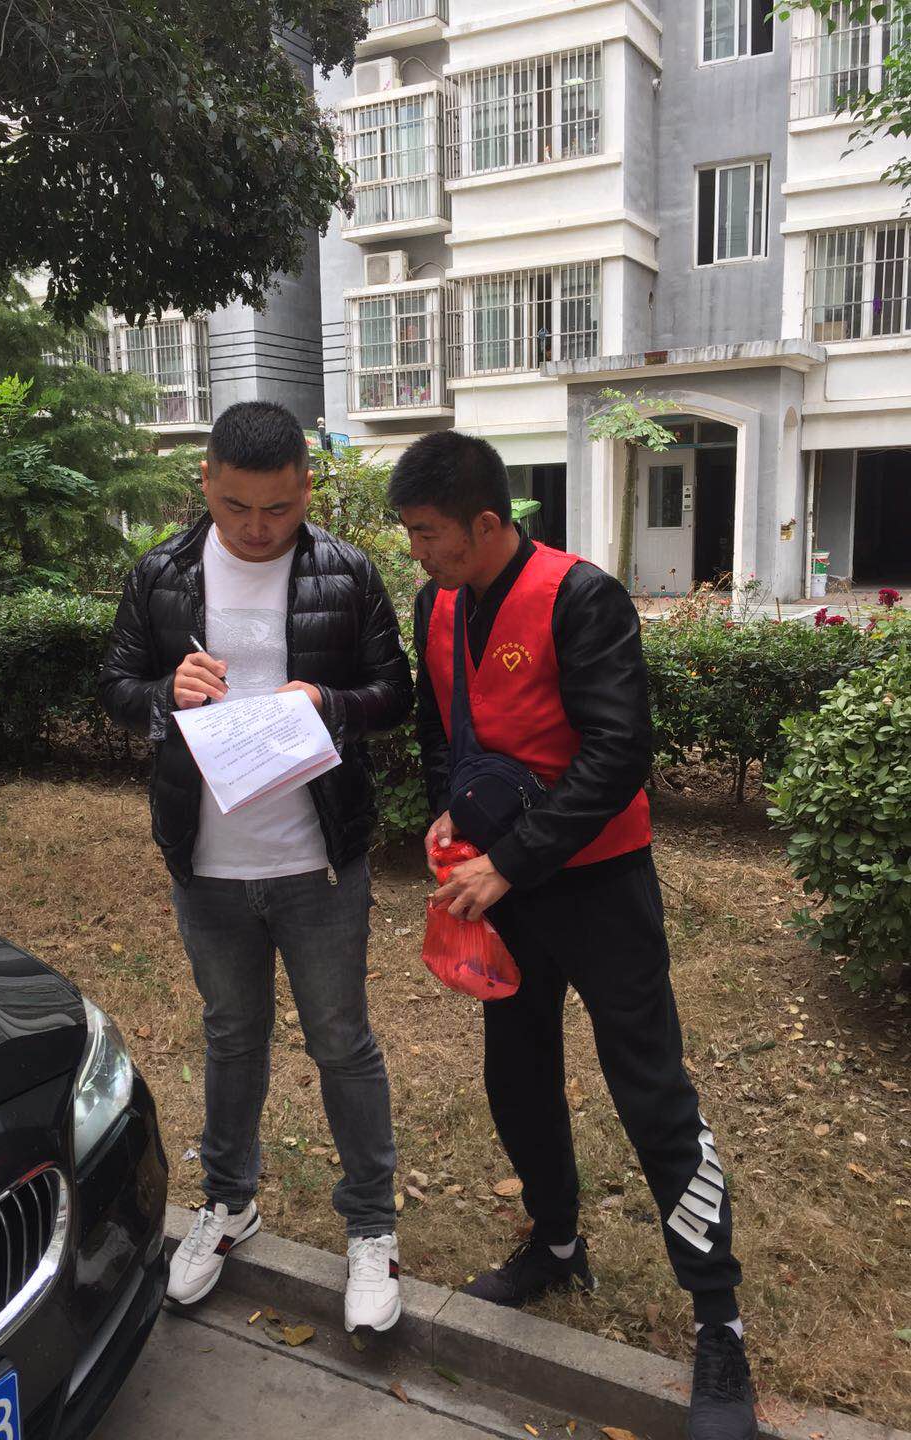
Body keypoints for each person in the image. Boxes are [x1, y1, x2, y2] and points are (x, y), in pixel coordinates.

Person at [388, 430, 756, 1440]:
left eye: (428, 533)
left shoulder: (580, 597)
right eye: (410, 533)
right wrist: (451, 813)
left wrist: (513, 859)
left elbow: (619, 753)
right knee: (516, 1076)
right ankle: (556, 1246)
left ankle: (718, 1320)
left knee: (652, 1091)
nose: (417, 552)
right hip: (504, 892)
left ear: (486, 524)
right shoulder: (436, 603)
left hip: (600, 888)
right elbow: (439, 730)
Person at [100, 401, 413, 1333]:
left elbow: (394, 691)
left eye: (278, 508)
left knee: (341, 1042)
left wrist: (329, 702)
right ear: (205, 481)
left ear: (306, 489)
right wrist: (166, 693)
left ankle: (371, 1228)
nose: (258, 527)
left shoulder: (345, 572)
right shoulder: (161, 574)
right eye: (236, 506)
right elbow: (115, 685)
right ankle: (229, 1202)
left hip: (317, 862)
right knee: (232, 1036)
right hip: (208, 863)